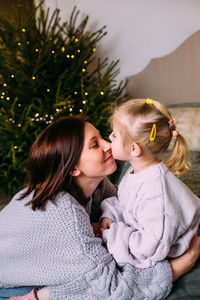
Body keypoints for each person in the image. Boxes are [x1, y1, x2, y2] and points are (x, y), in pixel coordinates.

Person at [0, 115, 200, 300]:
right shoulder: (63, 211)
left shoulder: (99, 186)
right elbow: (115, 291)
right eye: (95, 145)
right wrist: (184, 263)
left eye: (102, 137)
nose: (108, 145)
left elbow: (133, 215)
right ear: (73, 168)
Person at [100, 98, 200, 269]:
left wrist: (112, 235)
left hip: (170, 242)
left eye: (115, 135)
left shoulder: (155, 193)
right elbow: (127, 202)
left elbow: (149, 249)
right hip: (156, 232)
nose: (109, 137)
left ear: (134, 149)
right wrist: (111, 215)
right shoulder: (136, 171)